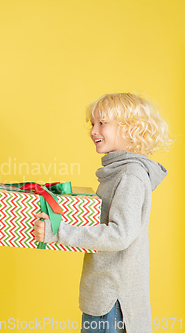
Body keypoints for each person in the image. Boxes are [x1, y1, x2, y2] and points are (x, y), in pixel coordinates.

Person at [33, 93, 172, 333]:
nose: (93, 130)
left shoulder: (129, 176)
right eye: (92, 123)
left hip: (112, 298)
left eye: (102, 123)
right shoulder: (117, 172)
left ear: (131, 129)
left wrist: (58, 231)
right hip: (103, 293)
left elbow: (120, 235)